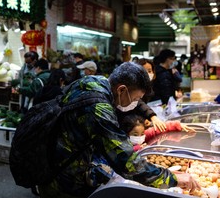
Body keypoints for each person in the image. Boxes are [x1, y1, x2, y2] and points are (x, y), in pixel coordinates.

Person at [38, 62, 200, 198]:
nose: (135, 103)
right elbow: (126, 161)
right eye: (136, 98)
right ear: (121, 89)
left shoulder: (95, 82)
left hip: (58, 165)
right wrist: (171, 179)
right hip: (62, 180)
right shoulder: (99, 108)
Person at [117, 112, 195, 152]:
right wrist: (137, 148)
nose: (140, 137)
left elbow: (159, 129)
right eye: (135, 134)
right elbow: (123, 153)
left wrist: (177, 125)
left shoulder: (145, 136)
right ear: (126, 133)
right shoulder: (120, 143)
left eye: (142, 134)